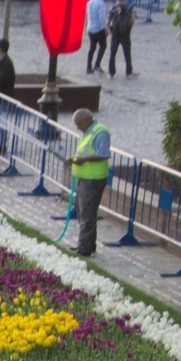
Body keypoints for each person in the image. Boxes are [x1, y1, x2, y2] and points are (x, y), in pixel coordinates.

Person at [69, 107, 112, 256]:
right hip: (84, 177)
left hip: (93, 179)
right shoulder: (87, 131)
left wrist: (82, 160)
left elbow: (103, 154)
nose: (77, 127)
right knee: (84, 213)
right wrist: (75, 159)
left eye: (79, 123)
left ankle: (84, 248)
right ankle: (88, 244)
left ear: (87, 120)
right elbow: (86, 151)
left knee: (87, 214)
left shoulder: (100, 132)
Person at [106, 0, 135, 77]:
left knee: (112, 53)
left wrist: (110, 29)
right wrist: (129, 28)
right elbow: (133, 19)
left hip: (115, 32)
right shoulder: (129, 6)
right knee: (127, 53)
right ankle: (129, 71)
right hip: (125, 33)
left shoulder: (113, 7)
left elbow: (108, 21)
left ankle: (111, 72)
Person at [84, 0, 109, 73]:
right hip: (99, 28)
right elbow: (102, 18)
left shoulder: (89, 2)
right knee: (103, 46)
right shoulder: (101, 4)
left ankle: (88, 67)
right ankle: (97, 64)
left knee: (92, 47)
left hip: (90, 27)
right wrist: (106, 28)